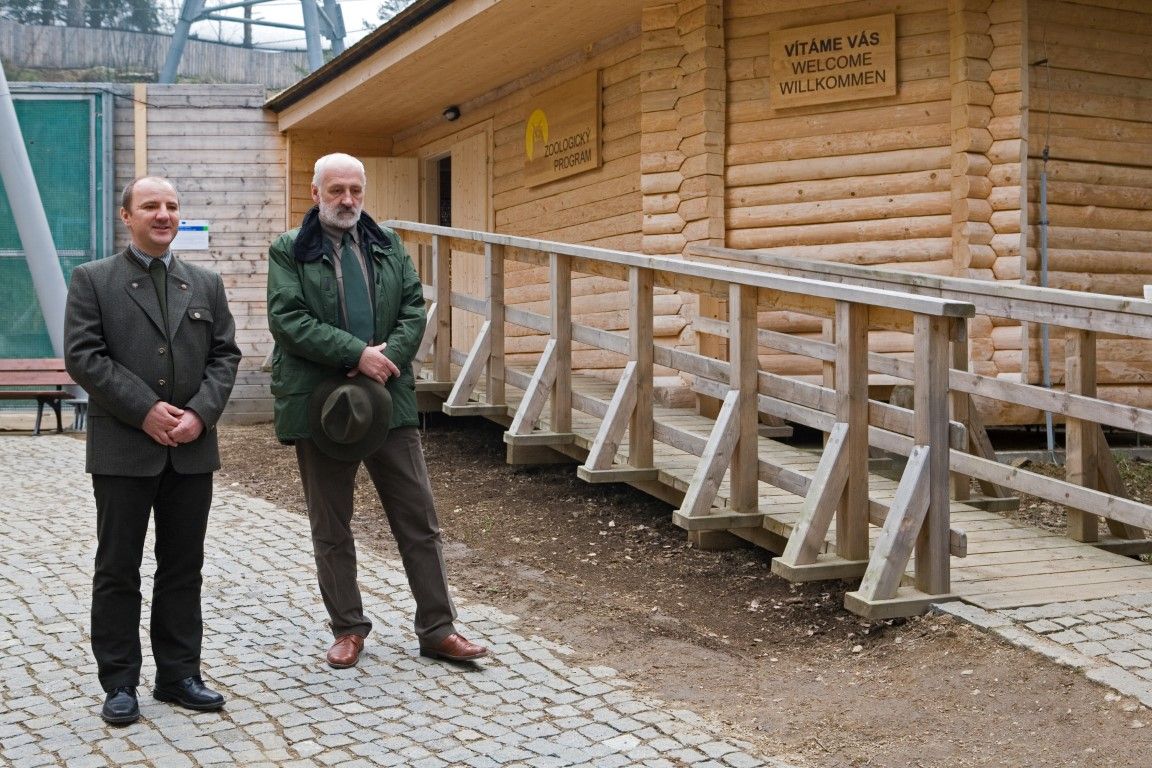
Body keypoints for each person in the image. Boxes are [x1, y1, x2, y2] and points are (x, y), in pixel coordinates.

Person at [266, 152, 486, 669]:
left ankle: (438, 628)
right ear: (315, 193)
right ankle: (347, 628)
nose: (347, 200)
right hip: (324, 407)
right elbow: (287, 319)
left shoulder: (389, 246)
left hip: (389, 400)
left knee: (418, 517)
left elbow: (415, 308)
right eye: (336, 190)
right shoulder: (288, 251)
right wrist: (355, 354)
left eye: (355, 191)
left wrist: (384, 359)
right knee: (331, 525)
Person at [64, 176, 241, 725]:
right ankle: (119, 682)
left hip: (191, 452)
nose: (163, 214)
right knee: (118, 567)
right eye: (150, 206)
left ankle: (179, 675)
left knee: (183, 567)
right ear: (127, 216)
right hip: (123, 450)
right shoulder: (94, 280)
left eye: (171, 206)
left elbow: (225, 356)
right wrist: (144, 409)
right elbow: (85, 357)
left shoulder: (205, 283)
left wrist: (200, 414)